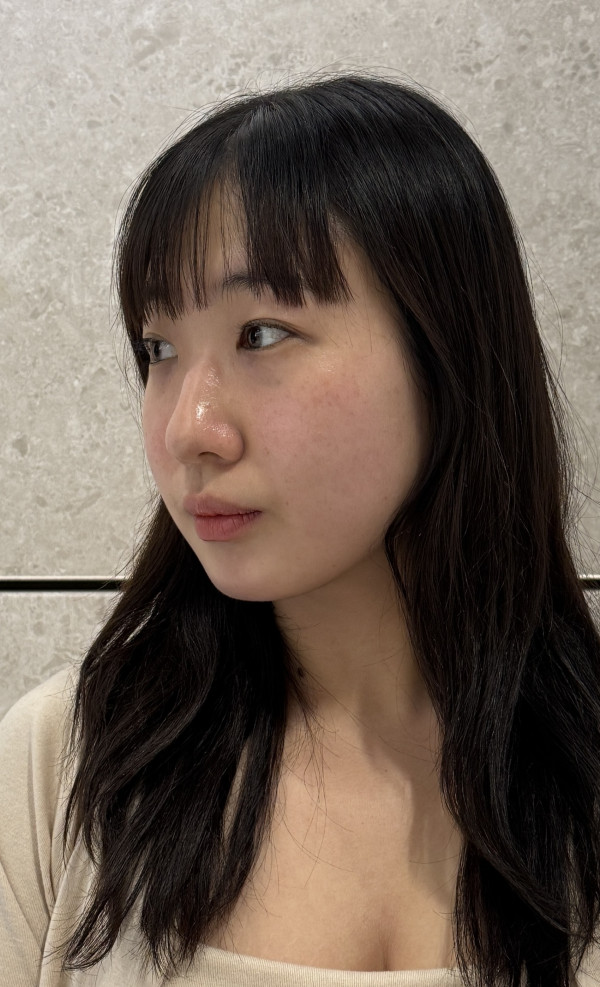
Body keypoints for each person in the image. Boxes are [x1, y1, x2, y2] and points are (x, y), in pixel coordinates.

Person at [1, 73, 600, 987]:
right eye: (159, 350)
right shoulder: (65, 764)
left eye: (262, 334)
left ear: (447, 351)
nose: (189, 429)